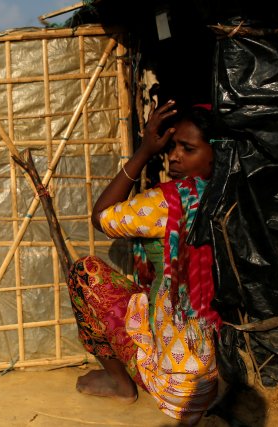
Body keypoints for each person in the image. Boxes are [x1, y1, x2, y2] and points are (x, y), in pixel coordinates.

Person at [66, 100, 221, 424]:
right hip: (215, 383)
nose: (174, 155)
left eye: (187, 149)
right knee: (153, 289)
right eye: (172, 147)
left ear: (214, 153)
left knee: (85, 273)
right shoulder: (229, 195)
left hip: (175, 391)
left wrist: (144, 151)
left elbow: (101, 216)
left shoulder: (169, 201)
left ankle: (120, 383)